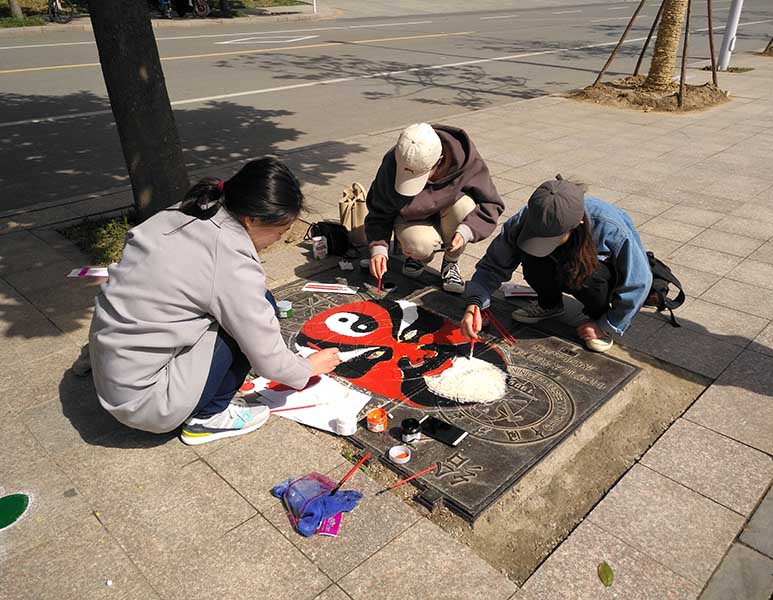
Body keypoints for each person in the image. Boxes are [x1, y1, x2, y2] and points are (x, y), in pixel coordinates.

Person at [89, 158, 341, 445]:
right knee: (255, 314)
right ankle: (209, 417)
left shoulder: (190, 208)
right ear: (252, 219)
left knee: (251, 306)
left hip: (112, 370)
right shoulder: (231, 261)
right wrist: (308, 367)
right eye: (280, 232)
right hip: (148, 402)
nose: (277, 240)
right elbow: (266, 356)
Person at [460, 176, 652, 353]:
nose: (545, 244)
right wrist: (475, 303)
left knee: (590, 273)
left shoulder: (610, 226)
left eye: (551, 239)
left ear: (578, 223)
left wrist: (605, 323)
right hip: (560, 264)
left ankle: (597, 316)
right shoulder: (525, 219)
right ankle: (549, 304)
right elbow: (493, 264)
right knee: (532, 255)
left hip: (595, 276)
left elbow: (639, 282)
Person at [366, 122, 504, 294]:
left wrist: (466, 232)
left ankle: (451, 262)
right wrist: (378, 248)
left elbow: (491, 203)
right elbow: (379, 212)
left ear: (439, 160)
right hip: (411, 217)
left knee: (465, 206)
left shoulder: (465, 158)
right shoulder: (394, 160)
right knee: (417, 245)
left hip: (451, 213)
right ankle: (416, 257)